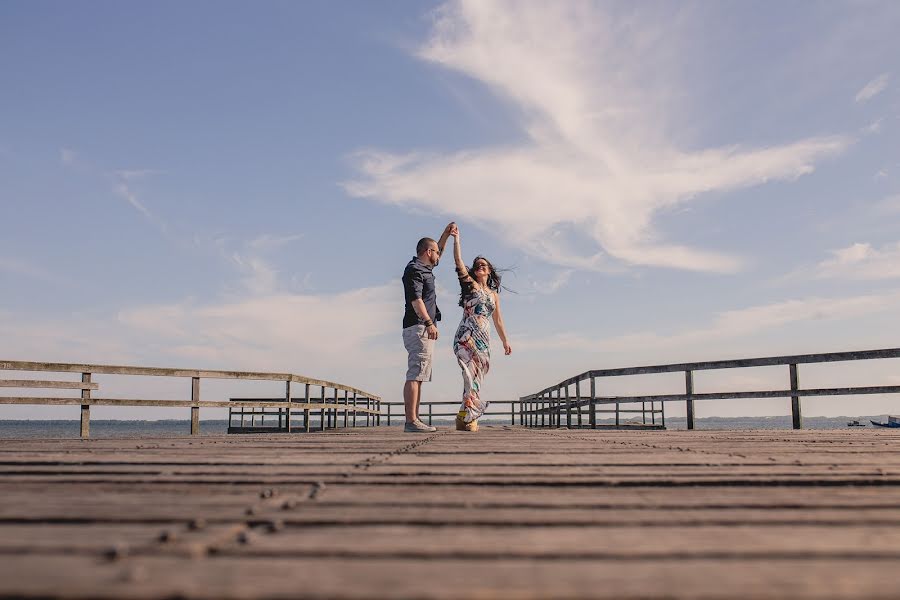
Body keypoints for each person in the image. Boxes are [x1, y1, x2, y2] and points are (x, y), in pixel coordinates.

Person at [448, 224, 511, 432]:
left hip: (484, 339)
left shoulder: (494, 295)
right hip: (466, 336)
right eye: (477, 265)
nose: (480, 267)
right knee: (468, 374)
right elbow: (458, 262)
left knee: (477, 377)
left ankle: (462, 416)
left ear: (489, 270)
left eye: (483, 265)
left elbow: (498, 320)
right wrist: (456, 239)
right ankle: (471, 417)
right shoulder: (469, 285)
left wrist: (505, 341)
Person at [401, 223, 455, 433]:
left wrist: (446, 235)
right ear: (428, 252)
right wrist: (429, 323)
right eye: (435, 252)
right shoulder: (415, 270)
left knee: (420, 375)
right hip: (418, 326)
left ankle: (414, 419)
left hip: (420, 327)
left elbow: (438, 250)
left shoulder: (424, 267)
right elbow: (416, 300)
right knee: (415, 374)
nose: (438, 256)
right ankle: (410, 421)